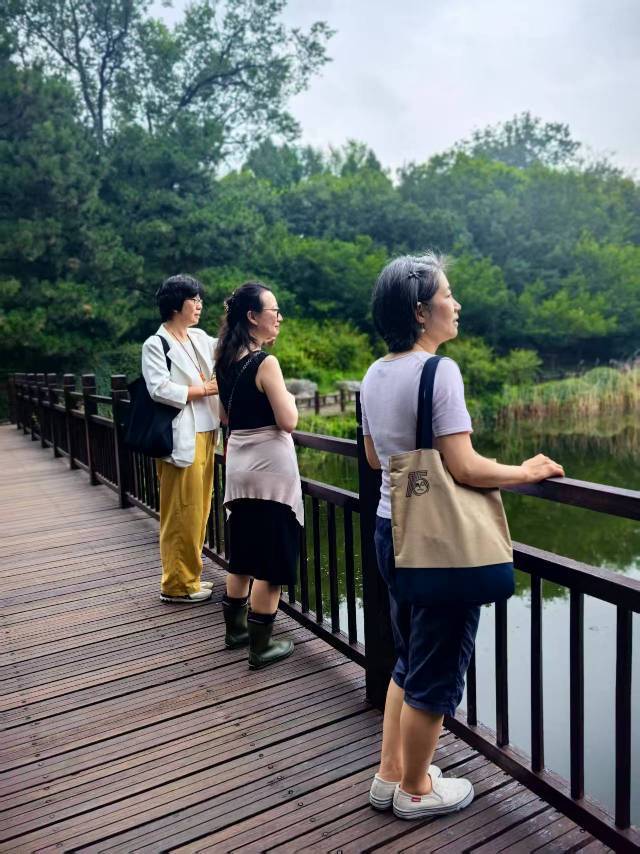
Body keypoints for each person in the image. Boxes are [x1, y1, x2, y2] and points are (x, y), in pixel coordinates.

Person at [360, 253, 564, 820]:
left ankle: (389, 776)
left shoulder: (375, 373)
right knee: (436, 669)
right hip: (438, 543)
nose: (457, 303)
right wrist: (525, 472)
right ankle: (418, 791)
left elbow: (378, 456)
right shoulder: (439, 372)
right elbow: (465, 467)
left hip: (390, 529)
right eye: (448, 295)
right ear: (422, 311)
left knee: (409, 659)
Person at [215, 282, 302, 670]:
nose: (279, 317)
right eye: (274, 310)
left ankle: (235, 631)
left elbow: (224, 417)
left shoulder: (225, 360)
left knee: (244, 553)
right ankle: (261, 647)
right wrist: (291, 400)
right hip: (271, 474)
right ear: (253, 317)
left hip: (239, 469)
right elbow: (289, 420)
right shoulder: (265, 363)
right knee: (273, 562)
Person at [142, 273, 220, 604]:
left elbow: (228, 352)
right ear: (177, 304)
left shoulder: (199, 337)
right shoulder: (155, 344)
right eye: (194, 299)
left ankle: (191, 576)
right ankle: (175, 584)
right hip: (181, 438)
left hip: (207, 432)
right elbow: (158, 388)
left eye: (200, 298)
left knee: (200, 509)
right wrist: (202, 389)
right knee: (180, 512)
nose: (200, 304)